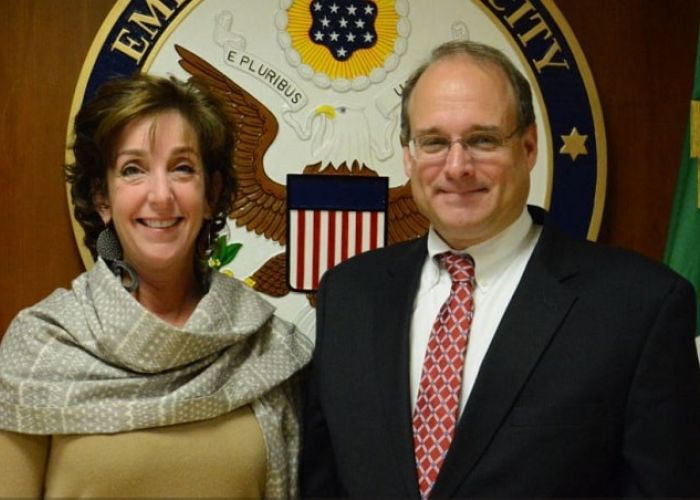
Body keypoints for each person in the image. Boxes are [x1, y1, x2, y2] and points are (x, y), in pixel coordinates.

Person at [301, 40, 700, 497]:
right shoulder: (349, 293)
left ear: (528, 147)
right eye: (433, 142)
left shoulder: (638, 305)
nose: (457, 166)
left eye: (483, 140)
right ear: (409, 156)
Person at [0, 73, 311, 498]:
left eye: (182, 168)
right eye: (133, 170)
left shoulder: (267, 347)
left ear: (211, 193)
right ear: (103, 199)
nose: (160, 194)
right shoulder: (40, 345)